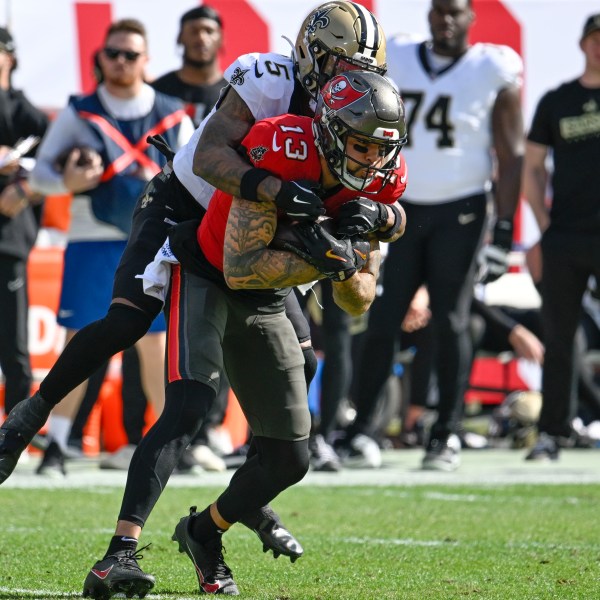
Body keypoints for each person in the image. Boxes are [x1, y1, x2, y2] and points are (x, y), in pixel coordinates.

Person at [0, 0, 389, 586]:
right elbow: (208, 158)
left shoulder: (365, 128)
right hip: (188, 216)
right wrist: (275, 189)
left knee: (300, 361)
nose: (347, 79)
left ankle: (244, 500)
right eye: (338, 65)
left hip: (263, 240)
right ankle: (27, 418)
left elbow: (361, 283)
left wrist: (368, 238)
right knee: (131, 322)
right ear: (311, 57)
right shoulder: (269, 81)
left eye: (360, 68)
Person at [84, 69, 406, 598]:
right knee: (188, 406)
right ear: (326, 131)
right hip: (207, 270)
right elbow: (240, 265)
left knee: (290, 458)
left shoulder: (378, 181)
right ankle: (115, 554)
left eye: (381, 149)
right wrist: (317, 256)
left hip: (270, 297)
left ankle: (204, 531)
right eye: (360, 144)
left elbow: (356, 300)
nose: (371, 160)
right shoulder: (283, 148)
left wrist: (349, 260)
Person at [336, 0, 524, 471]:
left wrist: (503, 229)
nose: (445, 19)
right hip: (399, 205)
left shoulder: (491, 66)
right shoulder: (396, 55)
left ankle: (447, 433)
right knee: (382, 319)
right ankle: (363, 430)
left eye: (454, 12)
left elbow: (511, 150)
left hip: (462, 206)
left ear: (471, 18)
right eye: (438, 10)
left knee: (451, 320)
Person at [27, 18, 195, 475]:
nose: (120, 62)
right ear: (100, 57)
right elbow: (38, 175)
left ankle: (166, 442)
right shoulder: (79, 111)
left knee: (157, 344)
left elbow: (196, 177)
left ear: (146, 61)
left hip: (151, 239)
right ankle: (58, 442)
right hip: (91, 236)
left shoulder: (173, 113)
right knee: (79, 338)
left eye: (130, 54)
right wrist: (69, 179)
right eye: (113, 53)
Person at [522, 8, 600, 460]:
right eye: (594, 37)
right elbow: (533, 166)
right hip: (565, 235)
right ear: (582, 43)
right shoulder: (557, 100)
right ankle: (553, 432)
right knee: (559, 334)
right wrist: (544, 223)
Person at [0, 27, 48, 420]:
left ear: (10, 57)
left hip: (7, 241)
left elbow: (54, 165)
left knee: (13, 344)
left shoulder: (25, 111)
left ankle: (12, 433)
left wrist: (24, 188)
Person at [151, 5, 226, 127]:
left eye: (209, 31)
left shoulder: (234, 93)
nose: (201, 38)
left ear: (221, 38)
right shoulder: (158, 92)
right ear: (180, 38)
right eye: (193, 31)